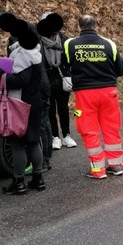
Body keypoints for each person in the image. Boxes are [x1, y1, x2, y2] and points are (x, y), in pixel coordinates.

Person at [63, 14, 123, 179]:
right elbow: (120, 69)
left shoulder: (70, 44)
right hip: (109, 93)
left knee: (88, 129)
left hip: (84, 95)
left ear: (79, 27)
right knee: (111, 127)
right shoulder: (109, 44)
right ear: (96, 26)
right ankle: (116, 165)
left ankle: (98, 170)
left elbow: (65, 65)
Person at [0, 13, 46, 194]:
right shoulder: (36, 53)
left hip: (20, 104)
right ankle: (38, 178)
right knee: (33, 141)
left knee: (16, 143)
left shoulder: (23, 56)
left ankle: (18, 182)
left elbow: (19, 80)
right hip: (34, 102)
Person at [37, 12, 77, 150]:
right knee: (50, 110)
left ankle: (66, 135)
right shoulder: (38, 41)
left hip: (62, 79)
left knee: (63, 108)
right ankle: (55, 137)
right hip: (46, 80)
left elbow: (70, 58)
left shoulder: (64, 39)